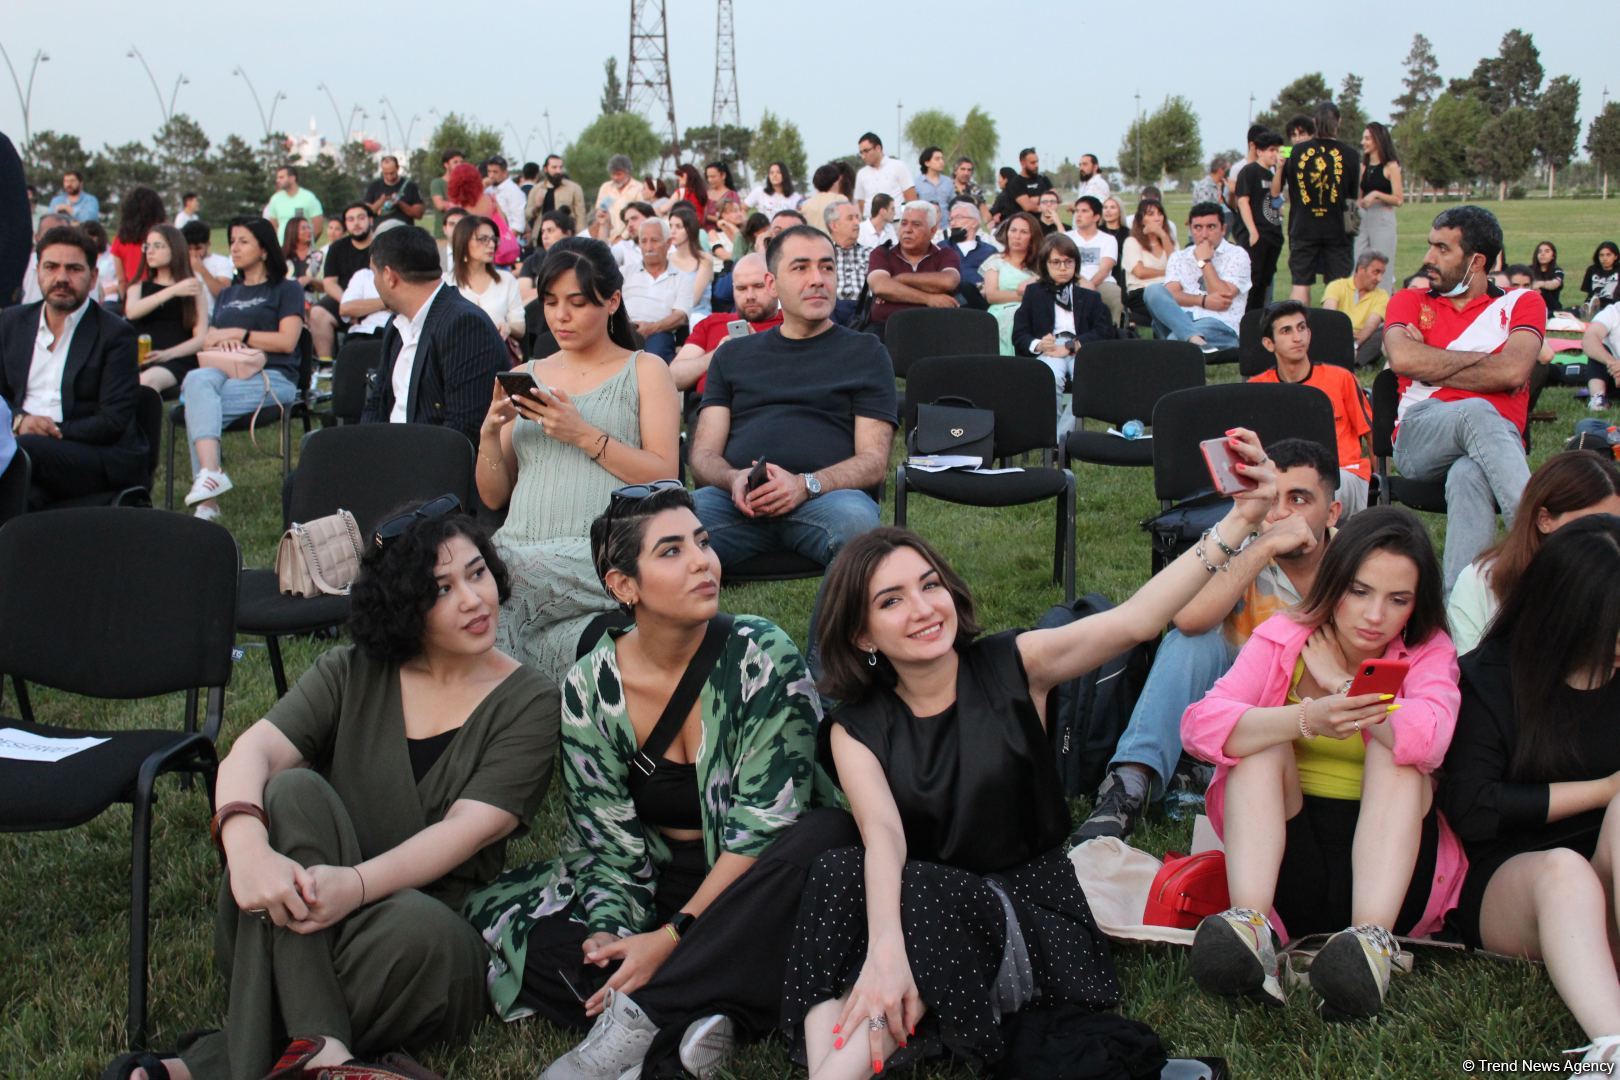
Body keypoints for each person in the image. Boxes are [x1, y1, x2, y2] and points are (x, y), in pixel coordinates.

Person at [783, 431, 1278, 1075]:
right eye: (891, 601)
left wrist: (1241, 519)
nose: (923, 609)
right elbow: (884, 839)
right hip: (924, 916)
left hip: (1033, 922)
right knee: (836, 872)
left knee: (925, 891)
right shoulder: (856, 728)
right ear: (862, 634)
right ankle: (830, 1067)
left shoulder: (1016, 664)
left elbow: (1135, 620)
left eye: (929, 585)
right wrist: (885, 951)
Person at [110, 502, 558, 1080]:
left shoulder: (530, 701)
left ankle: (205, 1065)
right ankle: (324, 1052)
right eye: (441, 589)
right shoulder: (351, 670)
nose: (474, 600)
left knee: (423, 933)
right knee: (292, 790)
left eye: (477, 574)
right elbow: (252, 752)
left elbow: (467, 831)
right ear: (403, 605)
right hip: (294, 903)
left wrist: (355, 886)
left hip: (408, 940)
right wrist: (246, 851)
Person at [465, 483, 837, 1080]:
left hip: (760, 877)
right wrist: (611, 932)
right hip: (664, 877)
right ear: (623, 586)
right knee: (539, 939)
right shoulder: (591, 687)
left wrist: (670, 937)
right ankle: (711, 1010)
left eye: (703, 542)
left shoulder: (762, 653)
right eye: (671, 551)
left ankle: (650, 1012)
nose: (702, 562)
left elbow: (766, 828)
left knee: (826, 845)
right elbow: (610, 845)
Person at [1182, 506, 1460, 1020]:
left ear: (1417, 603)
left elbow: (1430, 741)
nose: (1375, 615)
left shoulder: (1427, 650)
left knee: (1398, 752)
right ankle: (1251, 930)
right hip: (1292, 853)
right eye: (1360, 591)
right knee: (1261, 739)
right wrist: (1305, 718)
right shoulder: (1284, 635)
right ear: (1334, 582)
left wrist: (1341, 686)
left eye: (1397, 600)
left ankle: (1370, 948)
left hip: (1392, 868)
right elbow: (1201, 725)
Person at [1078, 438, 1343, 840]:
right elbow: (1187, 619)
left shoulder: (1356, 560)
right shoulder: (1245, 545)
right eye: (1273, 499)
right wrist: (1264, 547)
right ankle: (1128, 785)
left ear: (1333, 511)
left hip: (1310, 706)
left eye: (1299, 500)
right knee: (1190, 644)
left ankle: (1198, 769)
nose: (1281, 514)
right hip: (1238, 696)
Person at [1438, 515, 1620, 1067]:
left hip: (1611, 866)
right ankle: (1612, 1044)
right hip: (1516, 881)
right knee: (1565, 870)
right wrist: (1603, 789)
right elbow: (1474, 808)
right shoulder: (1487, 679)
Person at [473, 237, 680, 687]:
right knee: (481, 588)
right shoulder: (527, 374)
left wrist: (582, 434)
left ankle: (482, 703)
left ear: (612, 301)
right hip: (518, 546)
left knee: (485, 586)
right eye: (550, 302)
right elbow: (493, 495)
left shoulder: (645, 370)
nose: (560, 316)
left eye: (577, 302)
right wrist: (489, 435)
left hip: (600, 551)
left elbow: (665, 477)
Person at [689, 225, 897, 572]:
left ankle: (834, 613)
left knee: (859, 532)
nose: (817, 279)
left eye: (827, 267)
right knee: (661, 531)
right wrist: (733, 478)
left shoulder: (866, 352)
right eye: (800, 268)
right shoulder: (733, 355)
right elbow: (703, 454)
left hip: (829, 499)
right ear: (772, 284)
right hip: (733, 501)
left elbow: (874, 460)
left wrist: (804, 485)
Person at [1384, 205, 1543, 591]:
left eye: (1442, 249)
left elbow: (1514, 371)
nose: (1428, 257)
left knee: (1468, 475)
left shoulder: (1522, 303)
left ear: (1477, 262)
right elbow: (1401, 358)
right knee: (1477, 409)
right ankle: (1545, 547)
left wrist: (1430, 360)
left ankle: (1460, 607)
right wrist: (1490, 365)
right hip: (1422, 432)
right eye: (1430, 245)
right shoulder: (1409, 300)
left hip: (1494, 441)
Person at [0, 225, 147, 509]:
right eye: (51, 267)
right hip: (21, 442)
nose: (61, 278)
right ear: (38, 271)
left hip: (91, 453)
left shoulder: (115, 335)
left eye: (74, 269)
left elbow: (113, 421)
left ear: (93, 278)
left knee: (23, 451)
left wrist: (51, 429)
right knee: (26, 494)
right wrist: (20, 421)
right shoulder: (12, 323)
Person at [171, 217, 303, 520]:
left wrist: (240, 335)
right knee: (197, 381)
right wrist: (222, 340)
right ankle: (211, 474)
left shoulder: (286, 289)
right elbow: (209, 339)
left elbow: (287, 341)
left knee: (197, 404)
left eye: (243, 241)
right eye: (232, 241)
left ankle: (208, 502)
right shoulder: (228, 294)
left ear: (264, 249)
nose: (234, 248)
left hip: (272, 376)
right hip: (222, 371)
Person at [1447, 450, 1620, 655]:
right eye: (1590, 525)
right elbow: (1470, 669)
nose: (1606, 536)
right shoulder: (1480, 584)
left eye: (1615, 524)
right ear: (1543, 519)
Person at [361, 224, 509, 447]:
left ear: (389, 276)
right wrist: (365, 450)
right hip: (389, 454)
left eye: (374, 273)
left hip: (430, 460)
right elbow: (377, 402)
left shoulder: (464, 325)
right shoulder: (397, 325)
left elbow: (463, 430)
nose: (374, 282)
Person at [1248, 301, 1373, 514]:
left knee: (1310, 494)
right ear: (1269, 344)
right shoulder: (1257, 388)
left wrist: (1377, 485)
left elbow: (1372, 436)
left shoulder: (1342, 379)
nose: (1298, 337)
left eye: (1301, 328)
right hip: (1280, 480)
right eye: (1286, 331)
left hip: (1342, 475)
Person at [1013, 233, 1118, 411]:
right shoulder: (1034, 293)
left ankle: (1064, 429)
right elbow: (1019, 334)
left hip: (1080, 347)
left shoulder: (1089, 296)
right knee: (1050, 378)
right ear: (1045, 265)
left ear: (1076, 264)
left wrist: (1072, 345)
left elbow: (1104, 331)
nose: (1063, 268)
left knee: (1086, 381)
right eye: (1056, 262)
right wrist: (1039, 344)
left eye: (1068, 262)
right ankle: (1052, 429)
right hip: (1051, 349)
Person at [1272, 104, 1360, 304]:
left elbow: (1278, 190)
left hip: (1303, 226)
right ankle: (1333, 322)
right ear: (1338, 122)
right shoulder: (1351, 154)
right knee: (1337, 287)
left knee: (1300, 283)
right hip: (1338, 228)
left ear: (1314, 122)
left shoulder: (1295, 152)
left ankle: (1299, 321)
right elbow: (1352, 197)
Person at [1142, 202, 1252, 351]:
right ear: (1191, 229)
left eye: (1211, 227)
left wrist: (1204, 261)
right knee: (1152, 290)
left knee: (1174, 342)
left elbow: (1222, 297)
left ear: (1223, 229)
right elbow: (1171, 295)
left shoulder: (1237, 255)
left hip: (1219, 323)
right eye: (1198, 227)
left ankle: (1187, 342)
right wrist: (1203, 301)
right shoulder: (1179, 257)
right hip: (1179, 319)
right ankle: (1195, 340)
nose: (1204, 234)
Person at [670, 253, 782, 394]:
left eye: (759, 286)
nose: (750, 296)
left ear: (774, 285)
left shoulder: (792, 323)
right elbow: (673, 377)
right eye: (741, 288)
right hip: (706, 402)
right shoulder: (712, 323)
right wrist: (718, 354)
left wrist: (758, 353)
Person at [125, 224, 208, 394]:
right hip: (138, 358)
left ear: (175, 249)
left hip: (176, 358)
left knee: (146, 382)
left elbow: (200, 339)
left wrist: (167, 354)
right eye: (147, 246)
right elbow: (132, 312)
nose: (150, 251)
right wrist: (173, 290)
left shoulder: (192, 287)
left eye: (158, 246)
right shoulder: (137, 287)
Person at [865, 202, 961, 340]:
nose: (907, 230)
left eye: (916, 224)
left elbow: (948, 281)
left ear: (933, 231)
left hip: (933, 331)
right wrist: (929, 299)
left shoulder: (945, 254)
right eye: (904, 223)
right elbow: (880, 286)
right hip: (886, 330)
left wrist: (900, 279)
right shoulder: (882, 253)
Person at [310, 202, 376, 361]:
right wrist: (349, 303)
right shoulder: (337, 248)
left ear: (370, 220)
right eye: (351, 219)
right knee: (318, 313)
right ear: (346, 224)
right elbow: (329, 283)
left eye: (361, 218)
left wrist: (363, 307)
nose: (356, 223)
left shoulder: (382, 245)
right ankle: (325, 363)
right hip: (343, 297)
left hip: (378, 299)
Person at [621, 217, 690, 363]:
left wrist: (652, 328)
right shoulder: (624, 273)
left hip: (660, 334)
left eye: (654, 240)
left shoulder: (681, 278)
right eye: (643, 241)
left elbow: (680, 316)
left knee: (655, 356)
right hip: (624, 330)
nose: (649, 247)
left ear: (668, 243)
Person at [449, 215, 525, 344]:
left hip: (496, 349)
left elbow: (520, 327)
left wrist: (507, 327)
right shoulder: (447, 283)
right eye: (483, 239)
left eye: (493, 239)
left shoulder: (506, 280)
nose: (491, 244)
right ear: (463, 241)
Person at [1232, 131, 1285, 313]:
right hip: (1257, 235)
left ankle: (1259, 317)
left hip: (1273, 234)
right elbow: (1242, 201)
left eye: (1278, 150)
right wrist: (1253, 231)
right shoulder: (1249, 171)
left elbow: (1276, 197)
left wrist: (1280, 169)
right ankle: (1247, 318)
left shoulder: (1272, 174)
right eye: (1271, 150)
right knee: (1253, 281)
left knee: (1264, 282)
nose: (1275, 154)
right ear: (1260, 151)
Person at [980, 211, 1041, 354]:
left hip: (1033, 311)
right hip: (1002, 311)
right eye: (1013, 230)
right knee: (1015, 316)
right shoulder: (995, 261)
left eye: (1023, 232)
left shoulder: (1041, 265)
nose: (1017, 236)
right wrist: (1026, 295)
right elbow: (991, 295)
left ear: (1032, 237)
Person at [1322, 251, 1392, 369]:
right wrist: (1344, 335)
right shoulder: (1337, 286)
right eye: (1376, 272)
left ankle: (1351, 361)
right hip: (1336, 335)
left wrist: (1354, 344)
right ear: (1361, 269)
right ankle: (1356, 361)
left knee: (1385, 332)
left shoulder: (1382, 295)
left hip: (1361, 340)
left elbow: (1372, 324)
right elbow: (1329, 316)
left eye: (1382, 274)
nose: (1379, 279)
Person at [1355, 123, 1403, 294]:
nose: (1363, 142)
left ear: (1378, 140)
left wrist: (1376, 195)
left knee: (1382, 268)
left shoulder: (1391, 167)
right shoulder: (1363, 167)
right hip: (1363, 219)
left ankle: (1383, 305)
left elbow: (1399, 199)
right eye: (1363, 138)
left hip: (1383, 219)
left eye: (1367, 138)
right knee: (1359, 263)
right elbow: (1359, 197)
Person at [447, 163, 518, 267]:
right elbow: (503, 222)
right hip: (491, 250)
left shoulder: (454, 206)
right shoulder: (490, 199)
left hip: (466, 253)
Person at [1067, 195, 1122, 327]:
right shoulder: (1066, 238)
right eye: (1077, 211)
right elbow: (1065, 265)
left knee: (1114, 294)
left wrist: (1090, 285)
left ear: (1096, 217)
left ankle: (1114, 332)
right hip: (1071, 281)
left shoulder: (1108, 240)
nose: (1078, 215)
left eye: (1084, 211)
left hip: (1101, 283)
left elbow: (1104, 270)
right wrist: (1081, 282)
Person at [1121, 197, 1175, 328]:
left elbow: (1176, 265)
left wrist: (1163, 236)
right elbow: (1140, 272)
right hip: (1142, 291)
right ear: (1141, 219)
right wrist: (1166, 272)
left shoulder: (1170, 242)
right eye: (1151, 214)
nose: (1157, 218)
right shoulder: (1132, 242)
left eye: (1160, 214)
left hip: (1169, 289)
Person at [109, 186, 166, 299]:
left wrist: (126, 301)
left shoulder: (120, 239)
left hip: (133, 297)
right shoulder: (164, 235)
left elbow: (121, 280)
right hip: (161, 294)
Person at [526, 155, 588, 249]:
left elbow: (581, 216)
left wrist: (580, 239)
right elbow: (527, 215)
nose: (558, 171)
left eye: (560, 167)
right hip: (541, 242)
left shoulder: (574, 188)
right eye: (554, 167)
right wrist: (537, 207)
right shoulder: (536, 189)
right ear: (546, 169)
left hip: (566, 240)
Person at [947, 200, 1000, 310]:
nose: (952, 223)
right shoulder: (942, 248)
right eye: (951, 219)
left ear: (974, 222)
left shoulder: (989, 251)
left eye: (958, 217)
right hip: (947, 301)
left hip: (978, 303)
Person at [826, 199, 872, 326]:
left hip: (864, 311)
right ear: (834, 225)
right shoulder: (822, 255)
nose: (857, 223)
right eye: (850, 218)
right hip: (831, 311)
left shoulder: (871, 253)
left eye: (857, 217)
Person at [668, 204, 714, 327]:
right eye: (670, 226)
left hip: (697, 317)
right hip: (669, 317)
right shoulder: (667, 259)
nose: (672, 231)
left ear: (690, 229)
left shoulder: (704, 260)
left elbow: (692, 300)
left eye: (678, 226)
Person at [518, 209, 578, 304]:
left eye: (550, 230)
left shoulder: (579, 260)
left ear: (567, 233)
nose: (544, 236)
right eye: (543, 231)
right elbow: (522, 294)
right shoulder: (533, 261)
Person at [853, 133, 917, 217]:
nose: (863, 156)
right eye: (861, 153)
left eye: (866, 151)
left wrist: (903, 216)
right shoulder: (861, 174)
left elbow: (911, 199)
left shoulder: (898, 166)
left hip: (896, 221)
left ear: (878, 148)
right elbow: (861, 202)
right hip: (871, 222)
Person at [181, 220, 235, 315]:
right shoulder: (180, 262)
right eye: (189, 248)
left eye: (198, 248)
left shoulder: (221, 262)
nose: (193, 253)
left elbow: (223, 294)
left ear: (208, 244)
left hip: (213, 314)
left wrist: (201, 270)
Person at [595, 155, 650, 242]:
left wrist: (623, 237)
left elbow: (640, 217)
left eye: (619, 174)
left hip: (630, 239)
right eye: (613, 174)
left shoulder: (639, 188)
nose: (615, 177)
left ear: (628, 173)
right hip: (605, 238)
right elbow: (600, 212)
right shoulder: (605, 187)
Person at [265, 165, 325, 244]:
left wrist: (307, 243)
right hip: (282, 248)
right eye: (277, 178)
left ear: (292, 178)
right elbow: (273, 226)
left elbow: (318, 226)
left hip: (304, 249)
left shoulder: (308, 197)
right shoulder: (275, 199)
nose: (278, 180)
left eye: (281, 177)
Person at [364, 155, 425, 228]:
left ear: (397, 168)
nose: (389, 177)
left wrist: (399, 203)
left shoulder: (410, 186)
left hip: (404, 230)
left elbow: (419, 214)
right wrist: (380, 202)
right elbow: (365, 212)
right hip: (381, 231)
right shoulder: (374, 186)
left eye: (392, 173)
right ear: (382, 170)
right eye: (386, 173)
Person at [800, 163, 845, 239]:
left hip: (813, 241)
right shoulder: (841, 200)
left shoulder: (806, 204)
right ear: (835, 182)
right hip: (834, 242)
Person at [912, 147, 953, 226]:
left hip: (945, 226)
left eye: (942, 159)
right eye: (937, 159)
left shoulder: (948, 182)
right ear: (927, 163)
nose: (941, 162)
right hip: (924, 226)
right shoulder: (917, 183)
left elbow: (953, 204)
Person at [1006, 148, 1052, 215]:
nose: (1036, 165)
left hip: (1046, 219)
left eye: (1037, 162)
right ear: (1023, 163)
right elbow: (1028, 207)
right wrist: (1046, 203)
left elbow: (1057, 198)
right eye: (1032, 163)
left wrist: (1037, 199)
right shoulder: (1016, 183)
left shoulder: (1044, 179)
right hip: (1026, 220)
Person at [1579, 242, 1620, 318]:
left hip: (1613, 306)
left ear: (1616, 256)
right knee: (1572, 310)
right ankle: (1590, 312)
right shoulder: (1592, 270)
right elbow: (1589, 293)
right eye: (1601, 255)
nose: (1604, 258)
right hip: (1594, 303)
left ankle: (1594, 314)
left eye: (1608, 255)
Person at [1099, 196, 1130, 295]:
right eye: (1105, 207)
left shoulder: (1128, 233)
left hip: (1122, 276)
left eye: (1112, 207)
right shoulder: (1096, 232)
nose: (1108, 211)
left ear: (1120, 211)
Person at [430, 147, 466, 231]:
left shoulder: (465, 184)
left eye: (461, 162)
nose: (459, 165)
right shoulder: (437, 183)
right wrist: (460, 205)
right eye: (455, 162)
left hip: (462, 232)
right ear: (446, 165)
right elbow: (440, 205)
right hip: (442, 233)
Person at [1527, 241, 1565, 316]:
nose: (1542, 254)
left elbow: (1555, 283)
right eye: (1540, 252)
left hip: (1552, 309)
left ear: (1553, 256)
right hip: (1532, 308)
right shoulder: (1528, 270)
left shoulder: (1557, 271)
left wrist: (1540, 284)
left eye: (1547, 251)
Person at [703, 161, 740, 225]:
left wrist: (707, 216)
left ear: (723, 175)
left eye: (713, 177)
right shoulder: (705, 193)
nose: (709, 180)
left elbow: (733, 219)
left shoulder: (731, 195)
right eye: (708, 177)